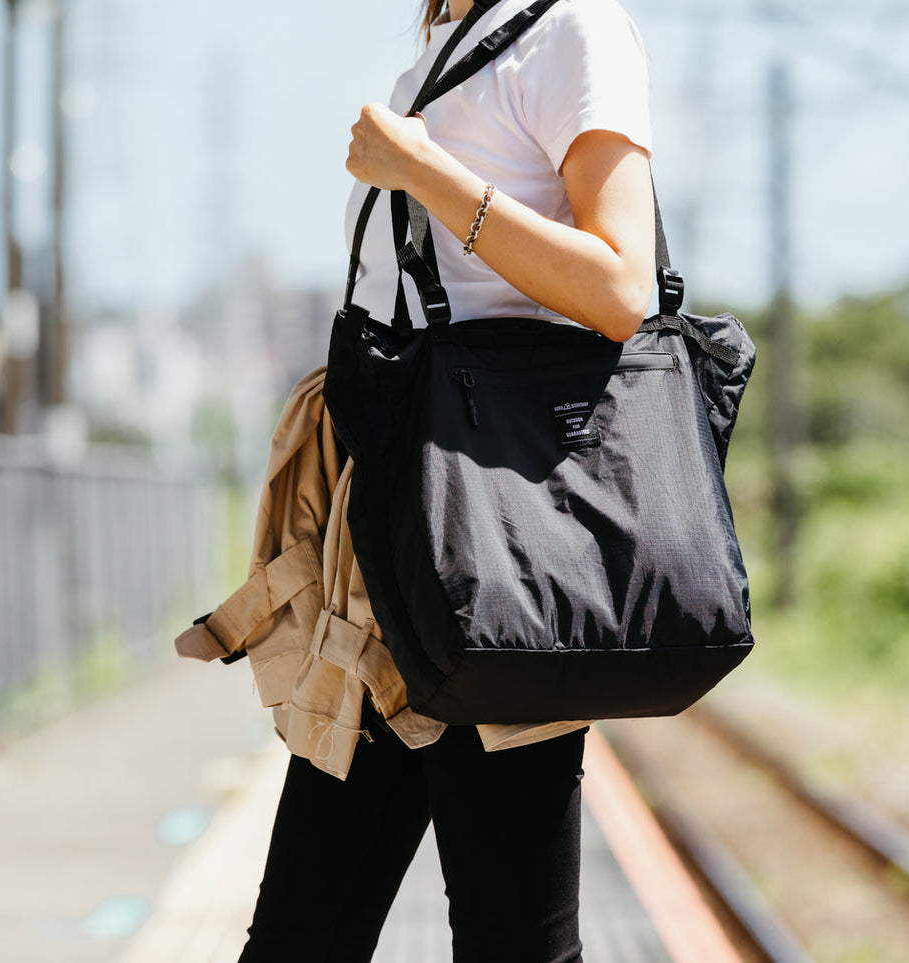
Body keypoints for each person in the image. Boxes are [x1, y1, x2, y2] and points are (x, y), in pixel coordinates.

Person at [236, 0, 656, 960]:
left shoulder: (575, 29)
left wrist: (422, 170)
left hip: (501, 542)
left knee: (511, 941)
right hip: (387, 547)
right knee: (303, 935)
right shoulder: (452, 40)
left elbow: (620, 288)